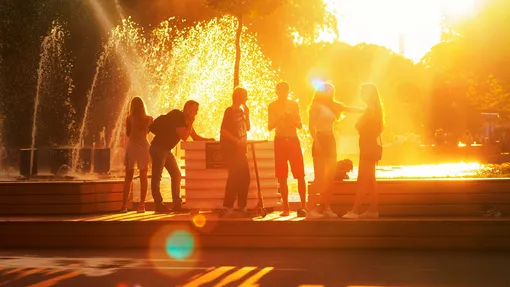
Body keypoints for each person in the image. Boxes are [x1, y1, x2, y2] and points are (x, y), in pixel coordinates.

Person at [308, 82, 363, 219]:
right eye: (329, 91)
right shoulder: (315, 106)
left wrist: (364, 110)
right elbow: (311, 127)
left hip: (331, 140)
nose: (331, 94)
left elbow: (348, 108)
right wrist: (317, 142)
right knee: (319, 177)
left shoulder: (333, 105)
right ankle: (311, 209)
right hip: (320, 138)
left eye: (333, 91)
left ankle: (327, 208)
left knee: (330, 176)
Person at [149, 100, 214, 214]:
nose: (196, 113)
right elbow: (184, 136)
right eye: (195, 110)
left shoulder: (186, 121)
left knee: (176, 174)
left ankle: (177, 204)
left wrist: (208, 140)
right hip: (158, 148)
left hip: (166, 150)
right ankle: (159, 205)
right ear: (188, 109)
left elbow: (194, 137)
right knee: (157, 177)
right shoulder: (178, 116)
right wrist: (191, 122)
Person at [343, 83, 385, 219]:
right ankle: (373, 210)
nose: (361, 95)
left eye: (363, 92)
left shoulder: (370, 109)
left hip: (367, 147)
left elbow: (357, 125)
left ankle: (355, 211)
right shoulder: (377, 109)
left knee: (362, 179)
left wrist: (360, 123)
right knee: (371, 179)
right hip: (371, 145)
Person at [268, 82, 307, 217]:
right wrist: (279, 119)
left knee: (300, 174)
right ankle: (286, 208)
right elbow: (269, 126)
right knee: (282, 175)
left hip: (292, 140)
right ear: (277, 92)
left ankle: (303, 206)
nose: (283, 93)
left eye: (285, 91)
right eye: (280, 91)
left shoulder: (293, 105)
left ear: (288, 91)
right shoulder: (272, 106)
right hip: (279, 141)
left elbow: (300, 125)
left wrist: (291, 118)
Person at [220, 87, 251, 217]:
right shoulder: (229, 111)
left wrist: (247, 115)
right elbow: (223, 130)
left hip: (241, 149)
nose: (246, 99)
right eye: (244, 96)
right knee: (234, 177)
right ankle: (228, 207)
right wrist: (236, 141)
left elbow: (247, 128)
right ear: (237, 97)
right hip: (232, 149)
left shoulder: (241, 112)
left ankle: (241, 206)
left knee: (245, 177)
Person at [120, 97, 153, 213]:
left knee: (128, 178)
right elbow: (148, 132)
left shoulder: (129, 118)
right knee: (143, 177)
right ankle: (142, 205)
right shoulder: (149, 118)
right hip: (144, 147)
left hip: (132, 146)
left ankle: (124, 206)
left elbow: (128, 134)